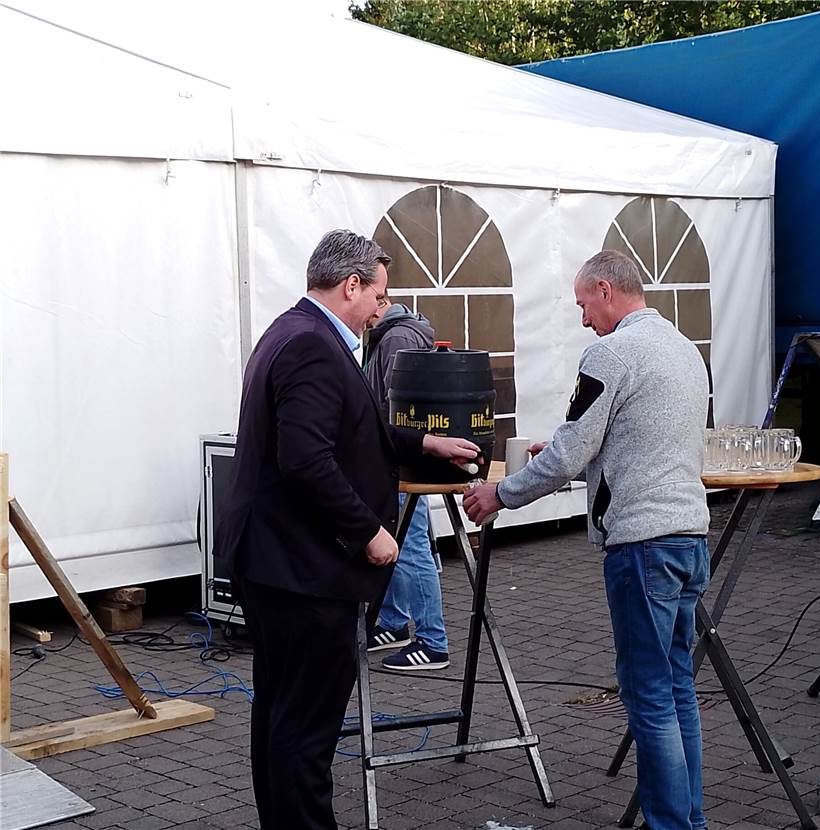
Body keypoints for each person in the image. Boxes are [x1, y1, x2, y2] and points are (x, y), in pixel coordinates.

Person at [213, 230, 479, 830]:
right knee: (306, 729)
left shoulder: (295, 329)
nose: (381, 309)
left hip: (278, 562)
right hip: (303, 570)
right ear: (351, 285)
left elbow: (342, 430)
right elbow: (307, 457)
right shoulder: (311, 344)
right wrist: (368, 532)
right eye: (378, 296)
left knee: (282, 717)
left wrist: (421, 442)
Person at [464, 250, 711, 830]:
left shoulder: (611, 352)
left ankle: (674, 825)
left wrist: (501, 495)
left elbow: (575, 449)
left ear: (605, 289)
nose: (582, 319)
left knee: (649, 697)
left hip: (641, 544)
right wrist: (562, 455)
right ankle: (688, 819)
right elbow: (631, 441)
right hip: (689, 536)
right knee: (677, 689)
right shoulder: (683, 349)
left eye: (582, 304)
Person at [363, 299, 450, 670]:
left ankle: (433, 642)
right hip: (404, 460)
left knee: (411, 548)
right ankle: (395, 623)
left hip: (399, 462)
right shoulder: (397, 333)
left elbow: (395, 411)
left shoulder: (396, 337)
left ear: (380, 301)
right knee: (402, 543)